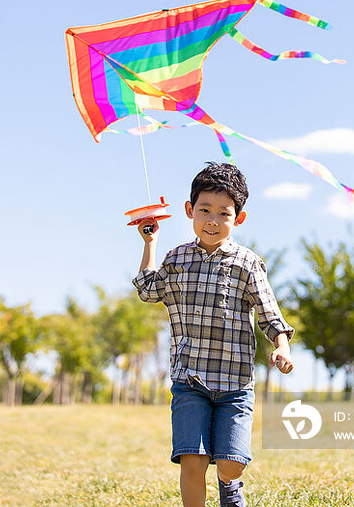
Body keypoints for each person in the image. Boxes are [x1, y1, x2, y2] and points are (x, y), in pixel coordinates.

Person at [132, 162, 294, 507]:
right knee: (193, 459)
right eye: (204, 210)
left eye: (224, 213)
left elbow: (269, 313)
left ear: (239, 219)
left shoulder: (247, 263)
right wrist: (150, 243)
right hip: (189, 379)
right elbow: (148, 290)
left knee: (231, 464)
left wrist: (282, 347)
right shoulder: (177, 259)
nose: (212, 220)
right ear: (189, 210)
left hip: (235, 384)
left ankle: (230, 488)